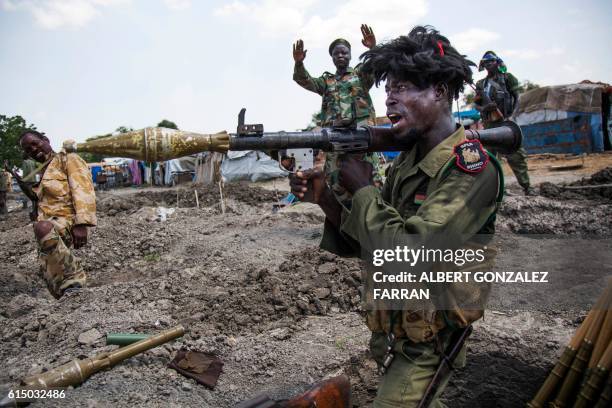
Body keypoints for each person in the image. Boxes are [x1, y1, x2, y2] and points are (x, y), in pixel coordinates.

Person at [290, 26, 503, 407]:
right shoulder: (408, 162)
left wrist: (365, 188)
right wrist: (325, 198)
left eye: (402, 88)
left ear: (438, 91)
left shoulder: (470, 168)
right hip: (394, 326)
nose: (389, 101)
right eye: (387, 91)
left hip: (430, 339)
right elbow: (369, 244)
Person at [292, 24, 383, 205]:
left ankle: (376, 215)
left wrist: (374, 49)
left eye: (344, 52)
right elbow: (304, 80)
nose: (341, 55)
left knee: (371, 178)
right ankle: (343, 218)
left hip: (363, 137)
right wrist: (299, 62)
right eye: (336, 53)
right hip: (335, 140)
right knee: (335, 181)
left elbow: (377, 66)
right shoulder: (326, 81)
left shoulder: (361, 76)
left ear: (350, 55)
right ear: (332, 58)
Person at [19, 130, 96, 299]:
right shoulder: (43, 170)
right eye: (28, 149)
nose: (33, 149)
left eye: (35, 143)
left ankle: (75, 281)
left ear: (45, 140)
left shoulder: (68, 159)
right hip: (48, 223)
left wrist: (81, 223)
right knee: (49, 264)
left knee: (43, 228)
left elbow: (83, 189)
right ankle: (63, 293)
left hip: (66, 219)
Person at [475, 50, 534, 195]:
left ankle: (527, 186)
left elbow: (517, 98)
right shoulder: (481, 84)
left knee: (516, 155)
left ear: (497, 62)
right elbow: (476, 104)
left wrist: (510, 117)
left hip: (506, 122)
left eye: (491, 61)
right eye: (486, 63)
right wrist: (485, 108)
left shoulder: (508, 78)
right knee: (490, 159)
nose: (489, 64)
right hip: (489, 125)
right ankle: (497, 190)